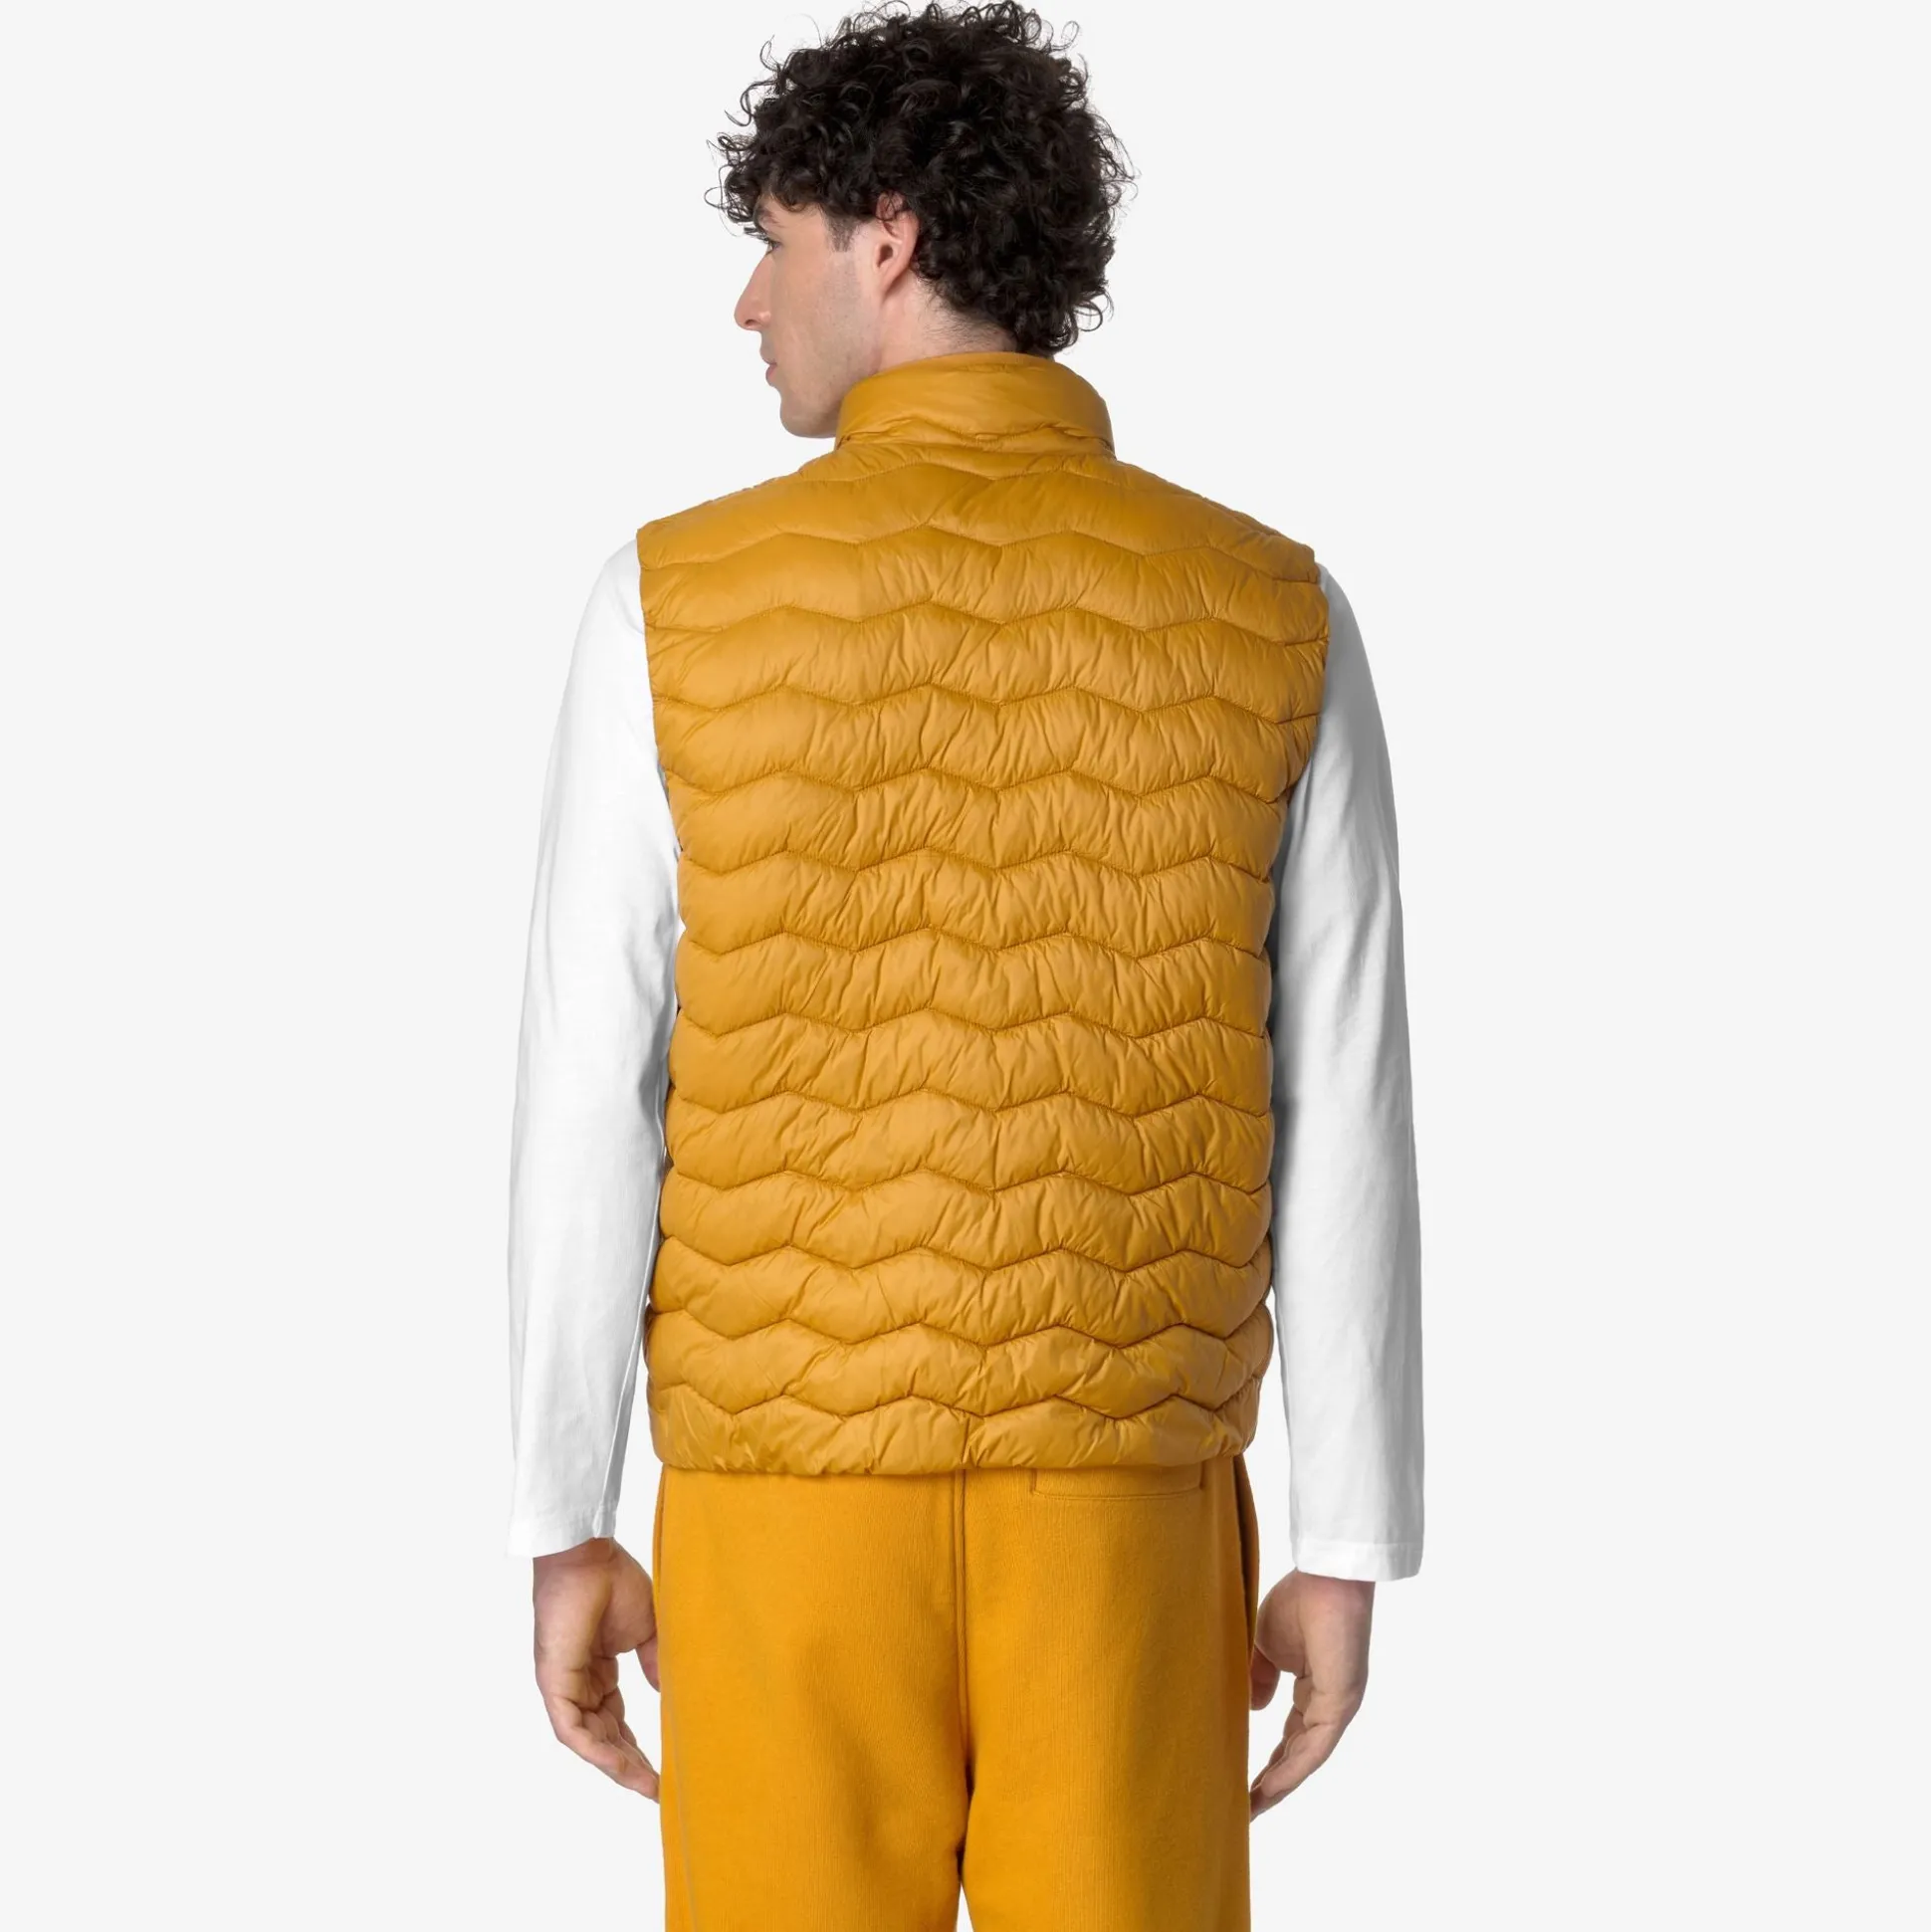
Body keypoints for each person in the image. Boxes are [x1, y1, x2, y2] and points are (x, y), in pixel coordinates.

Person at [505, 5, 1422, 1925]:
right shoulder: (1273, 606)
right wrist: (1345, 1531)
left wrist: (561, 1510)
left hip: (781, 1512)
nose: (748, 303)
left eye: (774, 243)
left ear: (889, 238)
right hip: (1128, 1519)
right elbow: (1340, 1094)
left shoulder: (666, 603)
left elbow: (595, 1088)